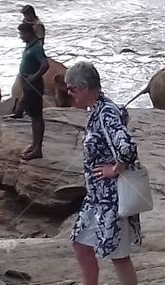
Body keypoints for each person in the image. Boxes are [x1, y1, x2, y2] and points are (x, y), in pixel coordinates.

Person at [65, 61, 141, 285]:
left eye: (72, 88)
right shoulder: (98, 110)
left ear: (86, 87)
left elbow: (127, 146)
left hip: (111, 199)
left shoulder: (106, 113)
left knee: (119, 256)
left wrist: (115, 169)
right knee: (80, 245)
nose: (69, 93)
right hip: (96, 198)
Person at [17, 22, 50, 160]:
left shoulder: (36, 47)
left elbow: (45, 65)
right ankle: (34, 144)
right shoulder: (29, 46)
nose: (20, 37)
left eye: (21, 34)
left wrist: (33, 77)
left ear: (28, 33)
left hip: (34, 87)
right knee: (33, 117)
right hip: (28, 87)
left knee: (37, 118)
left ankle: (38, 149)